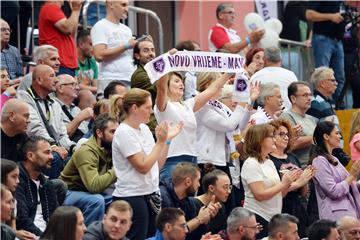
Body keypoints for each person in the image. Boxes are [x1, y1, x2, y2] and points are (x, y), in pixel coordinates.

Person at [112, 88, 183, 240]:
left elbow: (157, 164)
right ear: (134, 108)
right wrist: (160, 142)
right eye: (148, 107)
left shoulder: (144, 128)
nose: (151, 112)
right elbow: (143, 167)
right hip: (132, 196)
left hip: (150, 192)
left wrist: (167, 141)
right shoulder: (124, 132)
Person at [155, 70, 231, 181]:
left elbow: (212, 89)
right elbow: (161, 89)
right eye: (176, 81)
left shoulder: (188, 105)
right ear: (167, 85)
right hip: (173, 160)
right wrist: (166, 67)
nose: (181, 84)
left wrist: (229, 72)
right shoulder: (163, 106)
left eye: (181, 81)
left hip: (192, 160)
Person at [240, 124, 299, 238]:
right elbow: (260, 195)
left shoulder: (269, 162)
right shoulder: (251, 163)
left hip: (273, 216)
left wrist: (288, 182)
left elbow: (279, 194)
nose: (274, 140)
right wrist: (283, 183)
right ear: (260, 140)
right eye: (271, 136)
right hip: (257, 216)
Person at [17, 65, 76, 179]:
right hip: (32, 147)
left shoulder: (54, 103)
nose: (56, 80)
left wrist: (73, 147)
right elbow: (34, 128)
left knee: (78, 156)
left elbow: (62, 134)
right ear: (39, 80)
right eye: (52, 76)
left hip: (54, 147)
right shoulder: (24, 96)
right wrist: (52, 146)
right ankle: (48, 192)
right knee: (54, 157)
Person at [196, 72, 259, 176]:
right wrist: (242, 100)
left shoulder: (219, 105)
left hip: (221, 159)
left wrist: (250, 100)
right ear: (208, 85)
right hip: (207, 162)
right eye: (220, 83)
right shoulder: (201, 106)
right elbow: (228, 125)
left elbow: (238, 125)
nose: (223, 86)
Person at [60, 114, 118, 226]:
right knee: (96, 201)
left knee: (123, 198)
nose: (117, 136)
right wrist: (117, 170)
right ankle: (89, 235)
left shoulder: (109, 147)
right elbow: (94, 186)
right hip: (68, 192)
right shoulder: (87, 151)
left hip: (86, 191)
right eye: (112, 132)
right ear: (99, 133)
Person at [269, 119, 315, 238]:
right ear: (271, 137)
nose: (286, 138)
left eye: (287, 135)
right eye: (281, 134)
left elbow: (303, 193)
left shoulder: (292, 156)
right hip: (280, 207)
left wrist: (305, 178)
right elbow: (276, 192)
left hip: (298, 207)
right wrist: (299, 182)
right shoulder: (268, 160)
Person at [309, 121, 360, 220]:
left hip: (349, 211)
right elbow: (333, 191)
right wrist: (352, 175)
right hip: (335, 215)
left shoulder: (334, 159)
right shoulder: (319, 161)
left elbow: (348, 185)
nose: (340, 137)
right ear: (326, 136)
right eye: (336, 133)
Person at [14, 136, 59, 237]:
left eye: (51, 153)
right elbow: (21, 220)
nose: (51, 157)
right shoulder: (16, 181)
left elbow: (56, 216)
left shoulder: (46, 183)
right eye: (46, 153)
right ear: (30, 156)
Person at [160, 162, 216, 240]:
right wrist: (199, 220)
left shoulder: (189, 202)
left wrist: (206, 219)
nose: (199, 185)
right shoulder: (163, 198)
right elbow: (170, 233)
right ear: (188, 182)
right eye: (198, 180)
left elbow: (191, 235)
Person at [307, 66, 350, 167]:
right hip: (325, 158)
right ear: (322, 83)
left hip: (332, 154)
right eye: (332, 80)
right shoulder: (316, 103)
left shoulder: (325, 102)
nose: (336, 83)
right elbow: (312, 131)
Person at [306, 1, 346, 107]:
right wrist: (331, 16)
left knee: (339, 77)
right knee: (322, 75)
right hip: (323, 38)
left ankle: (338, 107)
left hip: (337, 40)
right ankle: (323, 105)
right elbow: (309, 14)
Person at [91, 0, 137, 91]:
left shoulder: (127, 29)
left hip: (129, 78)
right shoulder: (100, 26)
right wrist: (126, 46)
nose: (127, 9)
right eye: (123, 5)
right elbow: (99, 55)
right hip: (111, 79)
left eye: (127, 6)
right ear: (111, 4)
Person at [38, 0, 82, 76]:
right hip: (59, 63)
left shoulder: (53, 9)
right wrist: (76, 10)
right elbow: (68, 28)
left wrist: (75, 12)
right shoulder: (50, 7)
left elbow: (72, 32)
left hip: (65, 63)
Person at [280, 81, 317, 168]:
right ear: (293, 99)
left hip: (316, 165)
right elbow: (290, 144)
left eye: (310, 95)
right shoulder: (286, 116)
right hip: (300, 167)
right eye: (305, 95)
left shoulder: (311, 119)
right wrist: (316, 137)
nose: (309, 98)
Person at [194, 168, 231, 238]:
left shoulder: (221, 206)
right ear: (211, 188)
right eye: (225, 187)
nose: (229, 191)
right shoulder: (193, 204)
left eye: (230, 187)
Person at [55, 74, 93, 142]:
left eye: (77, 85)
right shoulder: (53, 107)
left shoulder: (76, 109)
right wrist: (80, 118)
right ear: (60, 88)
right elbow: (60, 136)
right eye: (73, 84)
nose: (78, 88)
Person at [131, 38, 156, 103]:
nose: (151, 54)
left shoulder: (155, 71)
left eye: (152, 50)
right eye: (146, 51)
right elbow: (162, 88)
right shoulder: (139, 75)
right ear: (137, 56)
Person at [76, 29, 98, 94]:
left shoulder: (92, 62)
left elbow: (95, 85)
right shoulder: (72, 60)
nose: (94, 48)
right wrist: (97, 89)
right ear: (81, 44)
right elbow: (76, 85)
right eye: (91, 44)